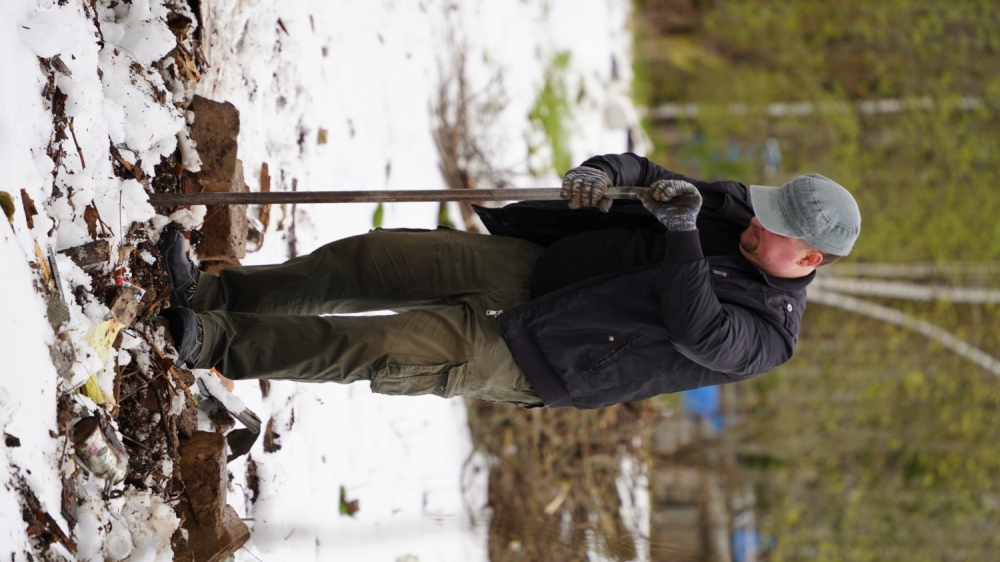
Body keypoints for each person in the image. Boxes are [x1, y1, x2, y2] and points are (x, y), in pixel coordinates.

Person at [158, 153, 860, 409]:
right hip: (535, 269)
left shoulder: (771, 336)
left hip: (539, 356)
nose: (756, 220)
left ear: (809, 260)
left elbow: (697, 327)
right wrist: (606, 173)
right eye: (768, 207)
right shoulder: (737, 210)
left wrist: (681, 230)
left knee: (379, 344)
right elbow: (651, 177)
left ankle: (217, 344)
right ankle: (213, 296)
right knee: (370, 260)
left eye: (776, 227)